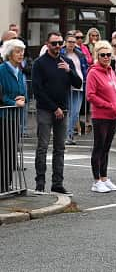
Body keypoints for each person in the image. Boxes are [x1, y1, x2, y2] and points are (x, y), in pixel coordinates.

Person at [32, 32, 82, 195]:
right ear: (47, 44)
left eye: (60, 43)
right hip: (46, 109)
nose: (57, 46)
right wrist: (54, 108)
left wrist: (70, 71)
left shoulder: (66, 62)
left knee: (60, 148)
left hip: (64, 109)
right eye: (54, 43)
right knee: (43, 146)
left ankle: (57, 183)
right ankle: (40, 183)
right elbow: (37, 90)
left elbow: (78, 83)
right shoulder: (39, 63)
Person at [85, 41, 116, 193]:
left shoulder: (111, 71)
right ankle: (96, 181)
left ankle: (105, 178)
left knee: (106, 148)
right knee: (99, 147)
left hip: (112, 115)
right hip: (100, 115)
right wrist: (109, 105)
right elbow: (90, 95)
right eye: (103, 55)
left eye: (108, 54)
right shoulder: (93, 73)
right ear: (97, 56)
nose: (106, 57)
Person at [0, 39, 27, 193]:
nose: (21, 54)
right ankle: (2, 185)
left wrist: (23, 99)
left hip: (15, 118)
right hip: (3, 117)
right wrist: (13, 102)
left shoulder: (19, 71)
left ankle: (7, 184)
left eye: (22, 51)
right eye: (17, 51)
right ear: (9, 54)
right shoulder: (2, 70)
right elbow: (1, 95)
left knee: (11, 152)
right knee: (4, 151)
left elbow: (22, 93)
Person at [61, 34, 88, 145]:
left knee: (76, 112)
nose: (72, 44)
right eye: (69, 41)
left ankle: (70, 134)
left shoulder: (80, 54)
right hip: (67, 85)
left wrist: (86, 79)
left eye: (73, 41)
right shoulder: (61, 54)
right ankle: (66, 135)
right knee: (67, 111)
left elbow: (85, 68)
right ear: (65, 42)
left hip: (80, 84)